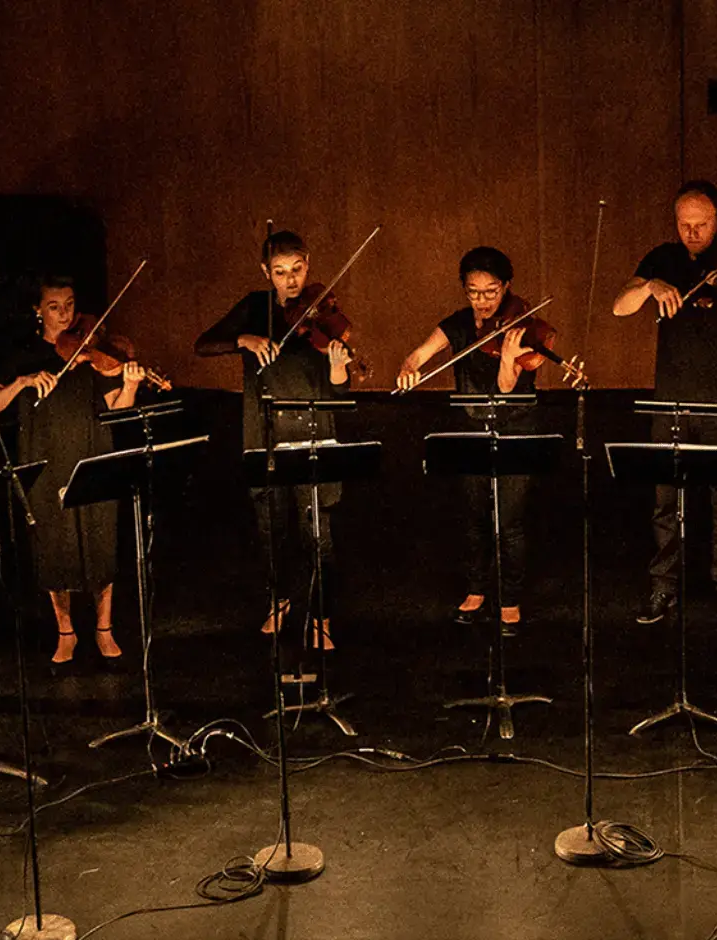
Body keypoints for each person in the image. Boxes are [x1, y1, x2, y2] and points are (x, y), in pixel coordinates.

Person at [614, 180, 717, 629]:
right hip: (671, 402)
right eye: (684, 225)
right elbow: (619, 307)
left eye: (701, 225)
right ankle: (663, 584)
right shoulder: (661, 259)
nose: (692, 234)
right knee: (666, 501)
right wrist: (649, 286)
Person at [196, 230, 358, 650]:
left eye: (298, 270)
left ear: (308, 265)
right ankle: (279, 599)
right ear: (266, 272)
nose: (291, 281)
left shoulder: (321, 313)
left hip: (314, 433)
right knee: (271, 531)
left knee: (319, 534)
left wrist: (339, 373)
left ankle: (321, 616)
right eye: (281, 272)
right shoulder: (254, 307)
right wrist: (243, 339)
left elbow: (339, 392)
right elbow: (203, 345)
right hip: (264, 433)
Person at [0, 277, 156, 665]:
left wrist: (129, 386)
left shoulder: (92, 351)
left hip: (93, 453)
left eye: (69, 305)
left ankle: (104, 628)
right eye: (54, 307)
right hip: (44, 460)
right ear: (38, 311)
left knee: (101, 544)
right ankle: (66, 632)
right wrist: (23, 382)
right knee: (53, 550)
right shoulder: (23, 355)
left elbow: (117, 406)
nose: (65, 315)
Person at [395, 245, 548, 635]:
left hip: (515, 426)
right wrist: (409, 368)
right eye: (474, 291)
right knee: (475, 517)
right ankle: (477, 589)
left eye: (491, 291)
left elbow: (507, 387)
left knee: (509, 521)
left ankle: (509, 598)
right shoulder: (459, 323)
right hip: (471, 426)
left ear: (507, 286)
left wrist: (507, 360)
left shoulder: (523, 326)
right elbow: (418, 354)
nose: (482, 301)